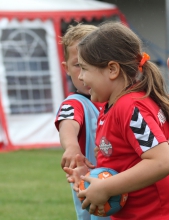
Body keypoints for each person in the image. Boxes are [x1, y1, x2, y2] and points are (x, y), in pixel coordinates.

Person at [63, 21, 169, 220]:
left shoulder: (130, 107)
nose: (80, 77)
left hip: (159, 213)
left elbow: (162, 161)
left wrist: (105, 187)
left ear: (112, 70)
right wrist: (92, 176)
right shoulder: (115, 106)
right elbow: (127, 159)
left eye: (85, 69)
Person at [54, 23, 110, 220]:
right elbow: (68, 121)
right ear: (66, 68)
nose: (85, 71)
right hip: (95, 197)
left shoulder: (119, 101)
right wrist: (71, 147)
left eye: (93, 62)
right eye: (78, 64)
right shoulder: (75, 102)